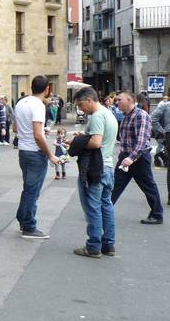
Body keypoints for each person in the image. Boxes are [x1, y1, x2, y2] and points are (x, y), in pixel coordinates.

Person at [69, 87, 117, 258]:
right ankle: (108, 244)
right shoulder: (108, 113)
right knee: (106, 205)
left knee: (93, 207)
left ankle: (93, 246)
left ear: (89, 100)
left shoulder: (97, 116)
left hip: (96, 168)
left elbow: (96, 143)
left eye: (81, 105)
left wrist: (77, 143)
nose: (81, 109)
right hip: (108, 166)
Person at [14, 75, 60, 239]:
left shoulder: (21, 103)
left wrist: (36, 132)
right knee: (32, 191)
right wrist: (51, 155)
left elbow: (15, 128)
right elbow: (38, 136)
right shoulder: (38, 106)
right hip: (35, 152)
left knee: (28, 188)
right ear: (47, 89)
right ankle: (29, 226)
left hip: (23, 150)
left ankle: (23, 219)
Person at [112, 92, 164, 224]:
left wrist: (131, 158)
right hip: (126, 157)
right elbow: (125, 139)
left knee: (148, 186)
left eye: (120, 100)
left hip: (138, 158)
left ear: (130, 100)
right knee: (115, 185)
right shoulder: (126, 116)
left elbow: (142, 141)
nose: (117, 102)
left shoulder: (140, 115)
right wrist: (123, 155)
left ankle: (157, 215)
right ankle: (104, 210)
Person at [151, 98, 170, 205]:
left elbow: (153, 118)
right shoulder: (166, 105)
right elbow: (153, 118)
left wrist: (163, 131)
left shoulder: (165, 106)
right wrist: (163, 131)